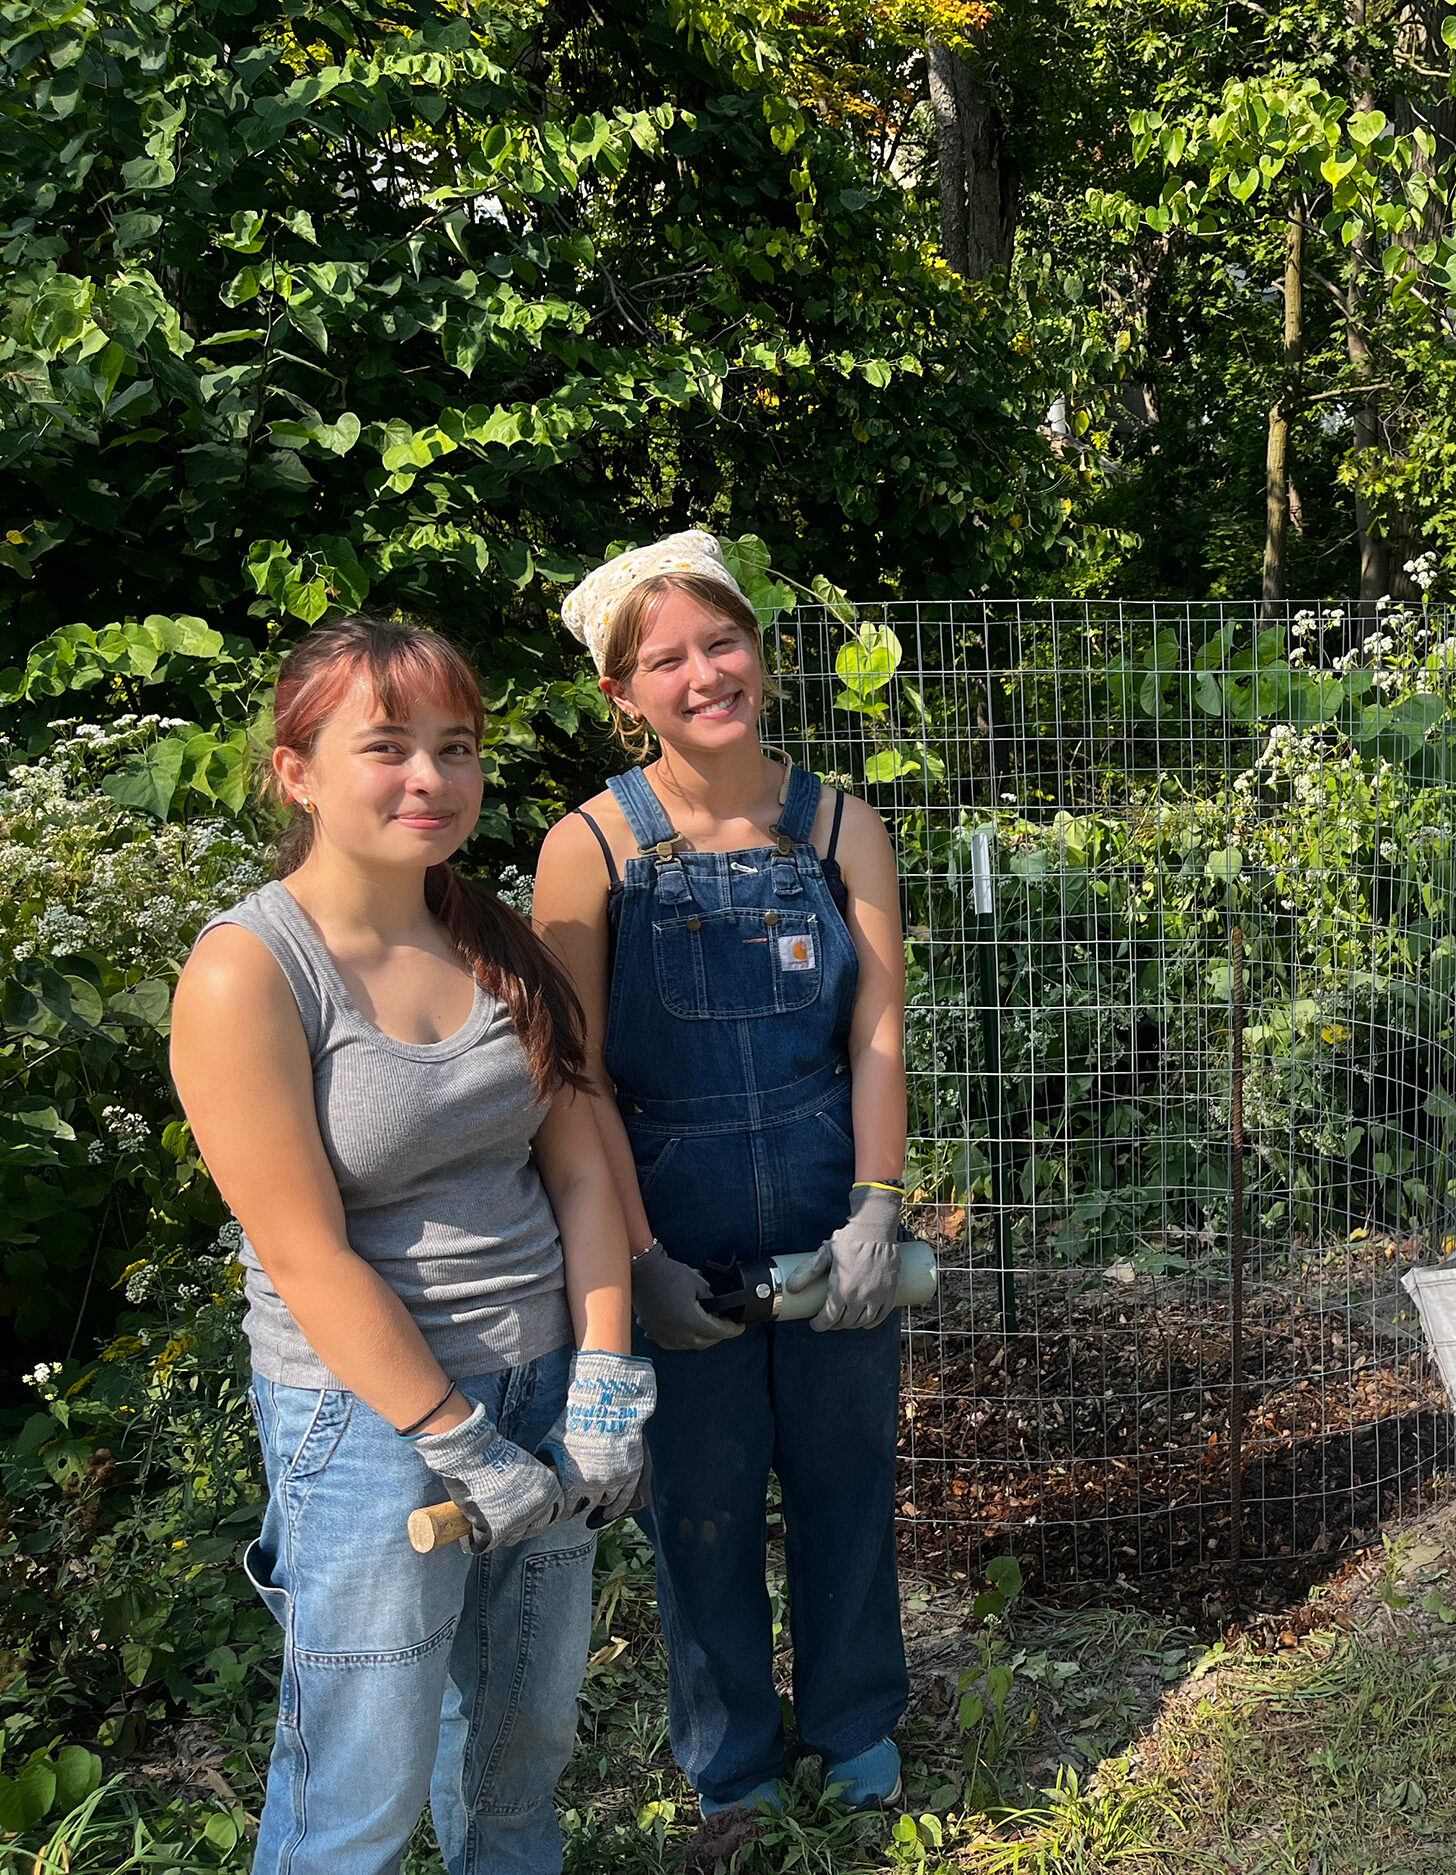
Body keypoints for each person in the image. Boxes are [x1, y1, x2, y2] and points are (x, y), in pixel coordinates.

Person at [171, 617, 651, 1875]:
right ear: (297, 772)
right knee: (360, 1798)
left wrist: (606, 1371)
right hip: (370, 1426)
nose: (429, 779)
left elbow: (583, 1172)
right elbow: (307, 1253)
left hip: (545, 1385)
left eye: (455, 746)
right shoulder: (249, 972)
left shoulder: (500, 948)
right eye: (384, 747)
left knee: (521, 1755)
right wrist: (454, 1441)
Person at [533, 531, 912, 1861]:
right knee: (698, 1500)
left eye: (723, 641)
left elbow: (876, 1027)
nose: (706, 673)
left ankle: (857, 1727)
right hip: (669, 1200)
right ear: (622, 691)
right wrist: (631, 1254)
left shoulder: (839, 823)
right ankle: (732, 1764)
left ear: (761, 645)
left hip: (823, 1185)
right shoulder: (587, 847)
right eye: (666, 658)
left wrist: (875, 1203)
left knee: (844, 1471)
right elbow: (571, 1076)